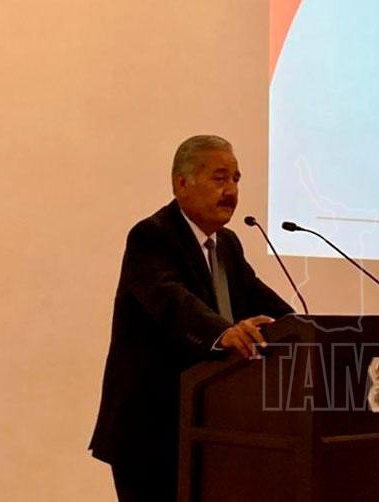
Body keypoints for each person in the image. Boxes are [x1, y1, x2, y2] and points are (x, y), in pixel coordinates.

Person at [89, 135, 295, 501]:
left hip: (206, 428)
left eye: (236, 179)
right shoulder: (151, 237)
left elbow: (260, 299)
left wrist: (306, 330)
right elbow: (171, 301)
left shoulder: (227, 244)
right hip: (150, 431)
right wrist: (223, 333)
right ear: (181, 183)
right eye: (220, 178)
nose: (231, 190)